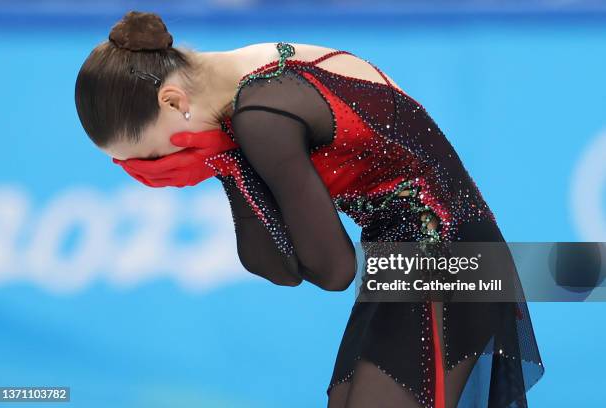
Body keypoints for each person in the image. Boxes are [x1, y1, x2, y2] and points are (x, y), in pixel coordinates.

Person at [75, 11, 544, 408]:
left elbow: (333, 269)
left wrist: (227, 157)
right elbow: (277, 267)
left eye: (152, 157)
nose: (159, 172)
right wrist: (226, 161)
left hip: (443, 259)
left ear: (173, 102)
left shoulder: (261, 113)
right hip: (415, 258)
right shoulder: (244, 82)